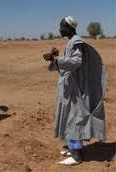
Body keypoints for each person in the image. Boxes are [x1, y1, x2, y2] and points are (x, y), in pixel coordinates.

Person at [43, 16, 107, 165]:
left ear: (68, 28)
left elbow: (76, 62)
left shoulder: (76, 42)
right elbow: (70, 61)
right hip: (70, 86)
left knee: (74, 119)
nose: (59, 29)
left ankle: (77, 156)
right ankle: (73, 149)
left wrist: (57, 60)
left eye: (61, 27)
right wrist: (56, 58)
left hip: (76, 89)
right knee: (70, 118)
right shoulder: (72, 42)